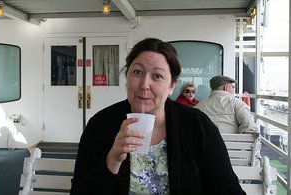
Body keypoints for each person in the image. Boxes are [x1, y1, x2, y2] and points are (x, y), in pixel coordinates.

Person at [70, 38, 245, 194]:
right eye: (137, 72)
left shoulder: (196, 125)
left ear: (172, 86)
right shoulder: (101, 125)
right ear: (127, 77)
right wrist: (112, 161)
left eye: (157, 76)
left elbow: (227, 188)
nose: (145, 84)